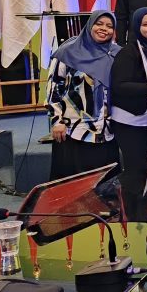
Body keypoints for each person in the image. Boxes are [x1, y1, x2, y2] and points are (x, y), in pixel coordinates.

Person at [46, 10, 120, 179]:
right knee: (75, 182)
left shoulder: (116, 54)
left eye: (109, 26)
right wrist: (57, 121)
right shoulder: (67, 52)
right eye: (99, 24)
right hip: (75, 130)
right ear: (90, 25)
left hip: (106, 131)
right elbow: (53, 88)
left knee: (105, 183)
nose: (104, 29)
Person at [110, 8, 147, 192]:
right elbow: (119, 86)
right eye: (145, 24)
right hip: (130, 122)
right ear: (137, 27)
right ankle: (134, 207)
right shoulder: (128, 52)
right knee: (137, 171)